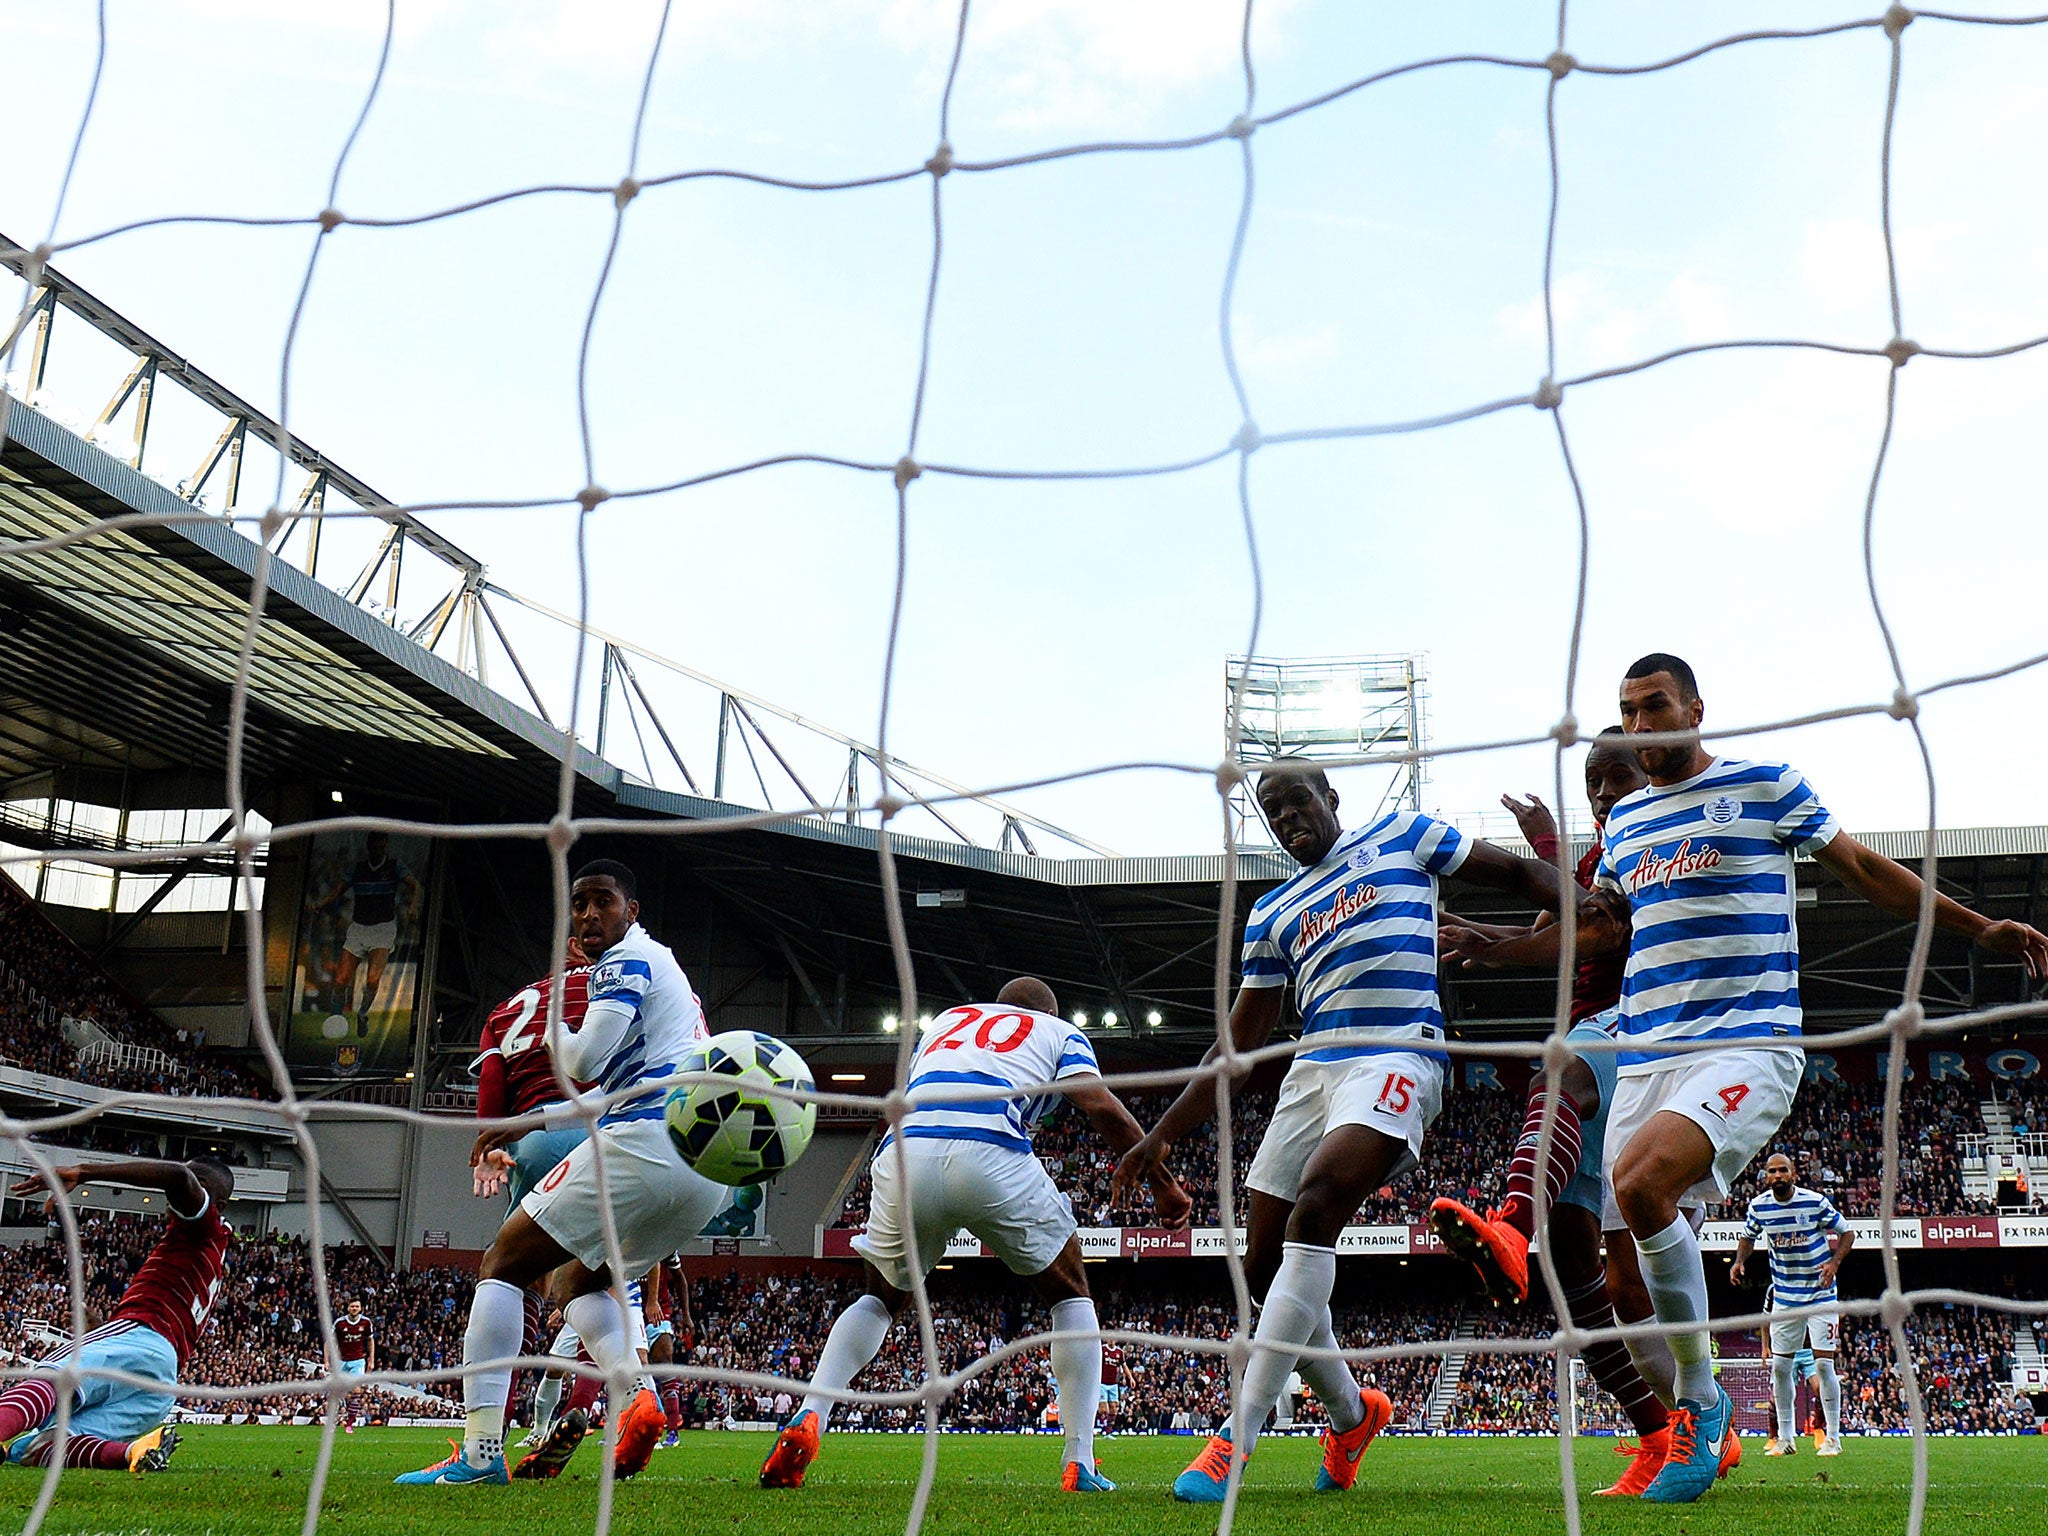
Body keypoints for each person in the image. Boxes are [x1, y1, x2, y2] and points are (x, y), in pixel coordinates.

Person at [1441, 653, 2048, 1503]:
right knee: (1624, 1270)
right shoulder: (1629, 823)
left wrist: (1977, 926)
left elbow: (1864, 868)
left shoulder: (1765, 785)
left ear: (1696, 709)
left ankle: (1702, 1404)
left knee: (1642, 1183)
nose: (1641, 725)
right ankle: (1690, 1413)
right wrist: (1503, 946)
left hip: (1746, 1044)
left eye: (1655, 707)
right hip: (1646, 1054)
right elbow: (1606, 926)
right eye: (1628, 710)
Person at [1110, 759, 1570, 1502]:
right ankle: (1354, 1415)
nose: (1287, 817)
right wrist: (1162, 1132)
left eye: (1298, 801)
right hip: (1311, 1072)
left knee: (1318, 1204)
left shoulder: (1404, 835)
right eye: (1273, 811)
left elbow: (1515, 873)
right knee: (1264, 1266)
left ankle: (1234, 1441)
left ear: (1330, 797)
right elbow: (1238, 1046)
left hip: (1397, 1051)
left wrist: (1584, 905)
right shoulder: (1271, 913)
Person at [759, 976, 1189, 1494]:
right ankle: (1080, 1460)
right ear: (1050, 1013)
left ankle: (811, 1412)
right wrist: (1163, 1185)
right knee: (1071, 1293)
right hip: (990, 1149)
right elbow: (1099, 1106)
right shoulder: (1057, 1032)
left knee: (880, 1298)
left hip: (903, 1152)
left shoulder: (945, 1023)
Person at [398, 859, 728, 1487]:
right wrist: (533, 1121)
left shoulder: (625, 962)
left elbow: (581, 1062)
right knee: (574, 1283)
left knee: (503, 1262)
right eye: (580, 904)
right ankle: (638, 1398)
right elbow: (607, 1089)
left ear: (632, 911)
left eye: (603, 901)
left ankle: (479, 1455)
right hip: (701, 1168)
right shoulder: (670, 973)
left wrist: (555, 1024)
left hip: (643, 1145)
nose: (589, 914)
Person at [1430, 730, 1689, 1496]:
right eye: (1593, 781)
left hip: (1641, 1030)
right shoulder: (1596, 860)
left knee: (1560, 1066)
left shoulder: (1661, 847)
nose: (1604, 792)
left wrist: (1507, 926)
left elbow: (1598, 930)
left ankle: (1512, 1223)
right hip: (1598, 1042)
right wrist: (1491, 936)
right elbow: (1558, 925)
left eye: (1618, 776)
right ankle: (1665, 1433)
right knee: (1590, 1271)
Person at [0, 1158, 235, 1472]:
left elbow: (178, 1176)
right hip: (159, 1385)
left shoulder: (202, 1228)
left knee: (52, 1379)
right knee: (36, 1447)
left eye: (200, 1183)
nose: (188, 1190)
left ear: (218, 1205)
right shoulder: (213, 1250)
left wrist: (83, 1172)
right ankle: (134, 1452)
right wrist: (101, 1327)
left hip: (141, 1335)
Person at [1734, 1153, 1853, 1457]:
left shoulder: (1814, 1202)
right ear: (1766, 1177)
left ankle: (1833, 1438)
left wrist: (1834, 1264)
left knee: (1824, 1365)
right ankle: (1785, 1439)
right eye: (1772, 1171)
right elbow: (1748, 1236)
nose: (1777, 1175)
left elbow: (1847, 1232)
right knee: (1780, 1367)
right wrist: (1738, 1261)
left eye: (1782, 1170)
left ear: (1793, 1173)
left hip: (1820, 1294)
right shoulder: (1759, 1206)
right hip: (1785, 1298)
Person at [311, 830, 421, 1034]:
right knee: (341, 979)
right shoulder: (358, 869)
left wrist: (414, 906)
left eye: (383, 847)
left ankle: (362, 1013)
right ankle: (336, 1018)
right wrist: (322, 903)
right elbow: (338, 891)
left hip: (383, 928)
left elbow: (416, 886)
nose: (380, 851)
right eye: (376, 847)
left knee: (372, 979)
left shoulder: (394, 866)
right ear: (369, 848)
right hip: (359, 928)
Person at [337, 1298, 376, 1435]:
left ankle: (349, 1424)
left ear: (360, 1309)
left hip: (358, 1360)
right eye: (352, 1306)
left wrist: (371, 1359)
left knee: (356, 1390)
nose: (354, 1308)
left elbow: (370, 1340)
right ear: (348, 1308)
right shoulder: (340, 1323)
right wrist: (327, 1360)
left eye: (357, 1306)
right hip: (341, 1360)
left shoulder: (366, 1322)